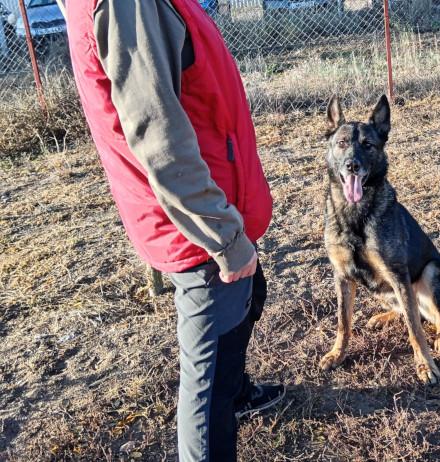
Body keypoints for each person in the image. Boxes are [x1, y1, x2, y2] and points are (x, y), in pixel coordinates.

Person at [64, 0, 285, 460]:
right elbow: (159, 137)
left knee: (248, 300)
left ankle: (236, 392)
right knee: (207, 384)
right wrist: (224, 236)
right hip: (199, 225)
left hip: (213, 202)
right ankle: (219, 412)